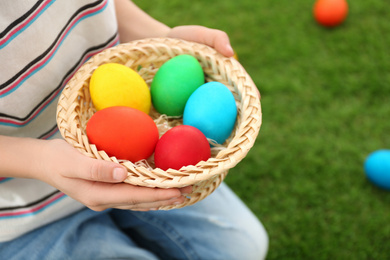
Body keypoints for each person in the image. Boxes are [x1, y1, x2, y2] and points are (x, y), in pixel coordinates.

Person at [0, 0, 268, 259]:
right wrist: (41, 160)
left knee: (242, 250)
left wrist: (161, 35)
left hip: (146, 171)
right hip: (23, 207)